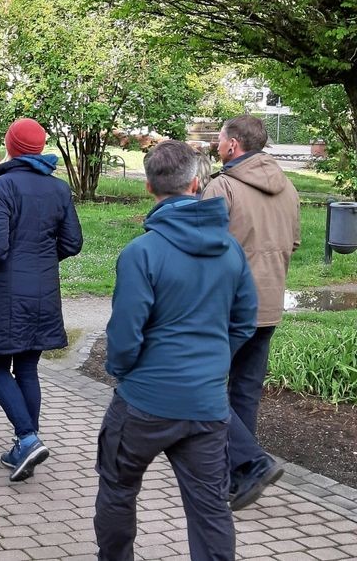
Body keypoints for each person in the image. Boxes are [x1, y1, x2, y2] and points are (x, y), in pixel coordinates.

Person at [95, 139, 257, 561]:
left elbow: (126, 332)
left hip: (144, 401)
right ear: (196, 183)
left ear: (149, 187)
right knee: (209, 508)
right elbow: (244, 322)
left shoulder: (142, 252)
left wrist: (123, 370)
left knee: (117, 489)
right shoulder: (231, 250)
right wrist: (214, 362)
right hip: (205, 407)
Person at [0, 118, 83, 483]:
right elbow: (72, 243)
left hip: (3, 292)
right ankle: (26, 444)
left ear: (12, 146)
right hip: (43, 292)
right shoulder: (58, 189)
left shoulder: (2, 186)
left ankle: (28, 438)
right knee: (28, 368)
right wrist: (40, 259)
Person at [202, 114, 300, 510]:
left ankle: (253, 462)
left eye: (222, 138)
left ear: (234, 145)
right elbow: (293, 243)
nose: (219, 144)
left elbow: (201, 250)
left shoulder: (221, 187)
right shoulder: (288, 187)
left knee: (203, 387)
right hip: (270, 303)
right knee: (244, 391)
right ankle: (238, 475)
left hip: (228, 308)